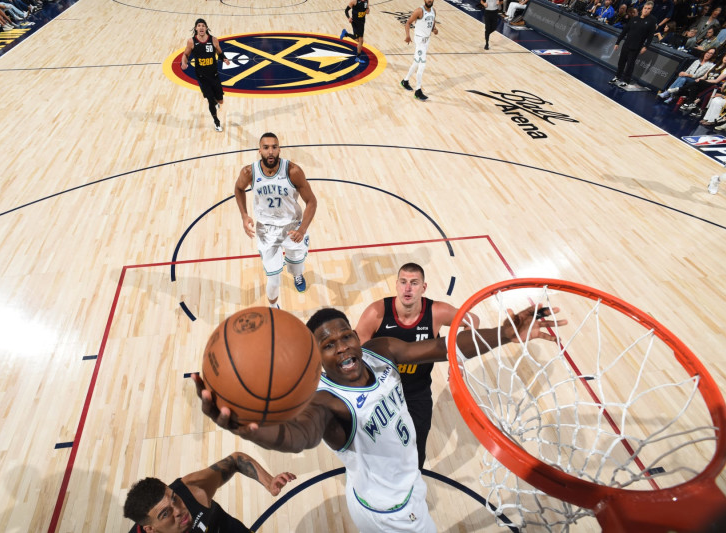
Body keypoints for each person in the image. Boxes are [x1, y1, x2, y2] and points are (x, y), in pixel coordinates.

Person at [195, 305, 565, 532]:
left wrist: (504, 333)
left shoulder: (380, 351)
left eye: (346, 335)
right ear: (315, 356)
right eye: (328, 344)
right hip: (389, 510)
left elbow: (442, 346)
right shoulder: (326, 402)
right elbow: (298, 437)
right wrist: (252, 432)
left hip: (400, 486)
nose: (343, 346)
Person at [353, 262, 480, 470]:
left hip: (417, 393)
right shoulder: (376, 313)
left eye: (414, 283)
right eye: (403, 282)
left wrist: (458, 358)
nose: (408, 288)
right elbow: (357, 355)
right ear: (396, 285)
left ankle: (412, 484)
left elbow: (473, 321)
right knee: (377, 446)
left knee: (416, 446)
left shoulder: (436, 311)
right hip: (382, 393)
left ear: (424, 287)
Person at [233, 132, 317, 308]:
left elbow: (312, 201)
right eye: (266, 148)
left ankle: (297, 275)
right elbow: (238, 189)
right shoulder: (249, 172)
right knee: (273, 279)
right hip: (266, 230)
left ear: (279, 149)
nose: (270, 151)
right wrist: (244, 215)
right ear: (259, 150)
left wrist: (302, 229)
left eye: (274, 147)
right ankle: (274, 308)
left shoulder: (293, 171)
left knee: (297, 266)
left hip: (293, 227)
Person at [123, 451, 296, 532]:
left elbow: (235, 461)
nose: (179, 510)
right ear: (150, 529)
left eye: (174, 499)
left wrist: (269, 482)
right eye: (165, 514)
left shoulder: (192, 490)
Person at [181, 18, 230, 132]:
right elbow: (186, 54)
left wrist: (224, 59)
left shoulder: (213, 40)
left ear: (206, 28)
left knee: (220, 101)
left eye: (203, 25)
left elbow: (219, 51)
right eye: (199, 25)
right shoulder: (191, 41)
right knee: (210, 101)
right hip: (202, 77)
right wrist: (184, 62)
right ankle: (216, 122)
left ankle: (214, 100)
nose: (201, 27)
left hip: (214, 75)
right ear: (196, 28)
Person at [611, 1, 657, 89]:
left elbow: (650, 35)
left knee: (630, 64)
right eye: (645, 8)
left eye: (649, 9)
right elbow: (625, 31)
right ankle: (617, 77)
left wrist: (646, 46)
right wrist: (617, 42)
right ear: (642, 8)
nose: (646, 10)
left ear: (651, 10)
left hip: (636, 46)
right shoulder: (635, 19)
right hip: (626, 44)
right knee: (621, 62)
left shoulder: (652, 20)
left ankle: (626, 81)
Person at [400, 0, 438, 101]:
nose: (429, 0)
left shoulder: (433, 10)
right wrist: (408, 36)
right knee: (422, 64)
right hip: (420, 40)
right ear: (424, 0)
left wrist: (434, 29)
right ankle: (418, 91)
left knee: (416, 62)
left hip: (427, 40)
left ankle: (405, 81)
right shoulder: (419, 11)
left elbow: (432, 23)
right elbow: (408, 23)